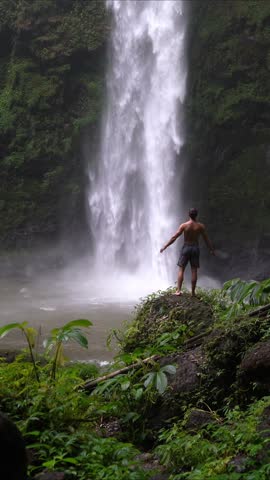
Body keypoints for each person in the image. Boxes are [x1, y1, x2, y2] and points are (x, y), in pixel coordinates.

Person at [160, 208, 215, 296]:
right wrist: (211, 250)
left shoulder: (184, 225)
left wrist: (165, 246)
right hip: (195, 248)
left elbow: (174, 237)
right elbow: (206, 239)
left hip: (186, 247)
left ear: (189, 215)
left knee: (181, 269)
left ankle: (178, 291)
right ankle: (193, 292)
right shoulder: (200, 226)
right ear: (196, 215)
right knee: (194, 270)